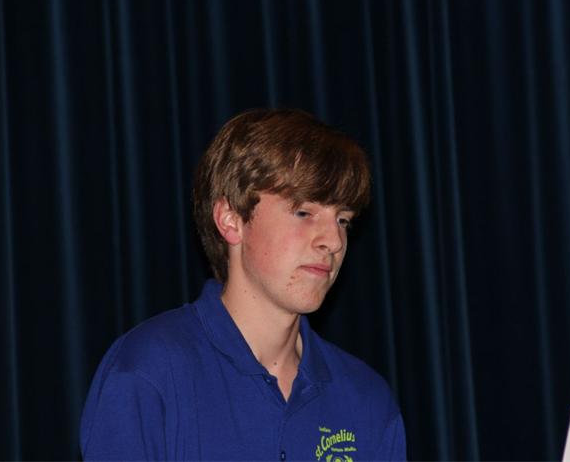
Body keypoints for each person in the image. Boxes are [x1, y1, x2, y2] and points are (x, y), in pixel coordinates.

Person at [80, 109, 406, 461]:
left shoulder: (367, 400)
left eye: (343, 220)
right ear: (231, 220)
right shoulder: (149, 371)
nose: (334, 241)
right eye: (304, 212)